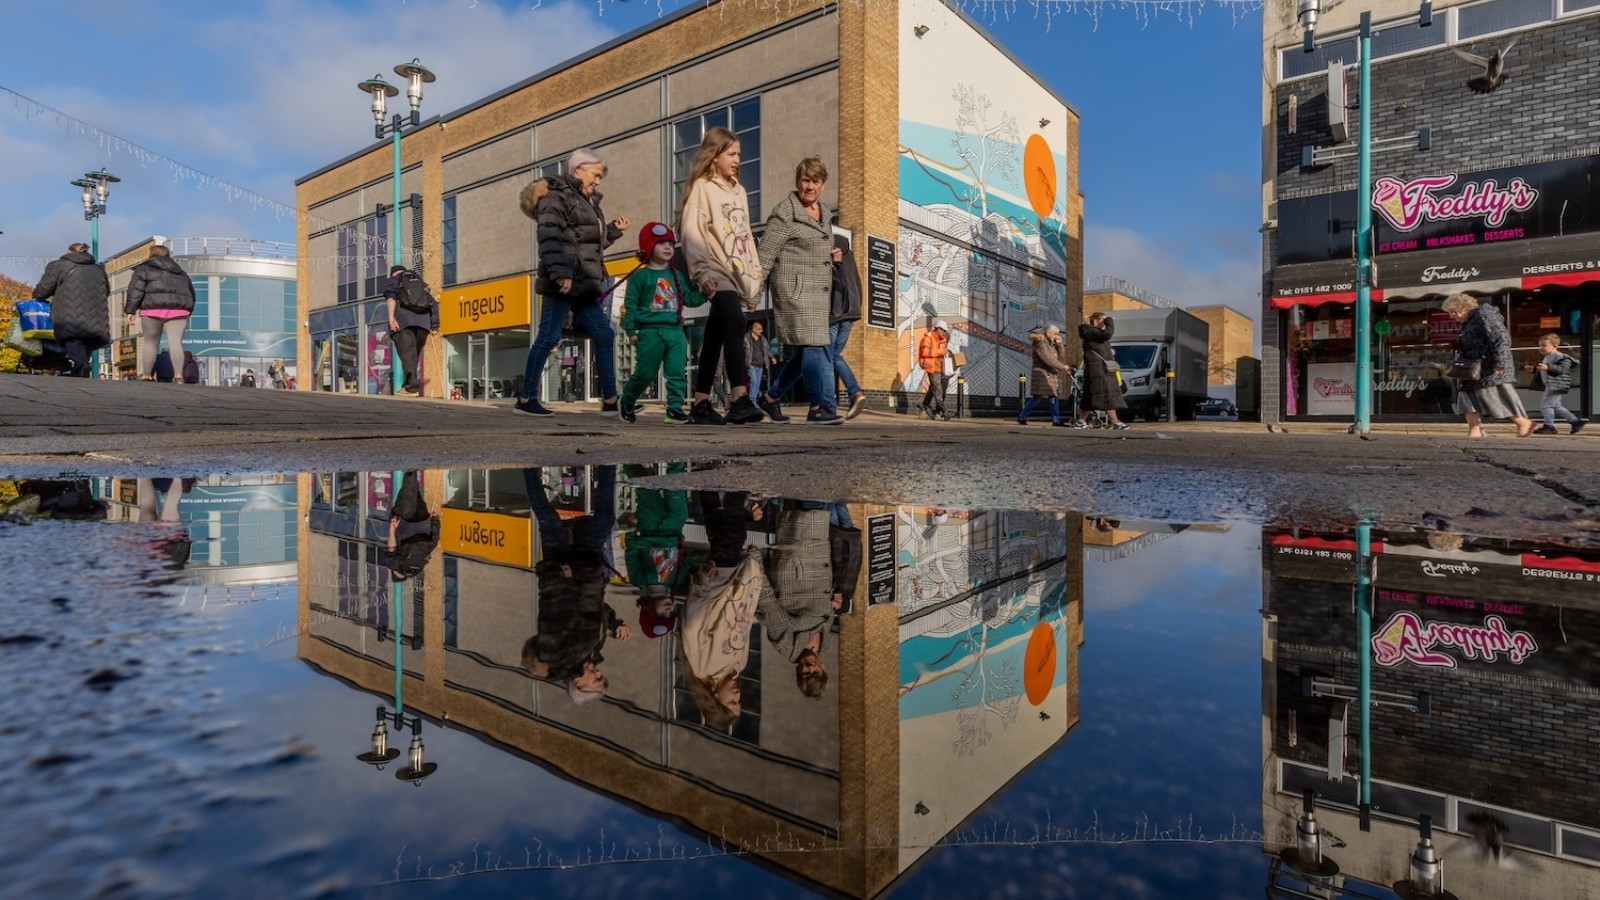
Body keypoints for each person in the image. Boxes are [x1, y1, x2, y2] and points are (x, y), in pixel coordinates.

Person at [514, 148, 630, 417]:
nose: (598, 180)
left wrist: (612, 230)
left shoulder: (588, 202)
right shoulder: (556, 196)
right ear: (578, 169)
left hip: (584, 283)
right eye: (595, 174)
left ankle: (610, 400)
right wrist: (560, 273)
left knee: (603, 335)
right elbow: (550, 236)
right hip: (564, 281)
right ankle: (526, 398)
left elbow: (589, 244)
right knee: (548, 337)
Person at [519, 465, 629, 706]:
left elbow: (553, 616)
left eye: (596, 680)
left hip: (563, 570)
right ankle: (608, 466)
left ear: (578, 684)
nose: (598, 674)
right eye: (601, 677)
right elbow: (595, 608)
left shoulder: (558, 658)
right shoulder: (594, 651)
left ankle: (529, 469)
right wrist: (614, 623)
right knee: (604, 520)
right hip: (588, 569)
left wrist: (563, 580)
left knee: (549, 519)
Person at [679, 127, 766, 426]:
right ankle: (739, 398)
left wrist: (751, 283)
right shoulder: (702, 187)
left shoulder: (739, 191)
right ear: (714, 156)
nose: (737, 159)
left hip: (736, 271)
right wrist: (701, 272)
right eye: (731, 154)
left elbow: (744, 237)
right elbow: (691, 232)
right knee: (736, 322)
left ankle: (701, 403)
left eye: (739, 154)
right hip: (714, 266)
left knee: (716, 333)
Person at [754, 157, 844, 425]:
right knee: (815, 346)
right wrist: (752, 293)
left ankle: (769, 399)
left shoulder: (824, 215)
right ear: (797, 181)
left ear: (823, 185)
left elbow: (813, 246)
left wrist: (833, 255)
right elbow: (765, 256)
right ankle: (817, 407)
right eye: (805, 180)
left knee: (804, 352)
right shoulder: (784, 214)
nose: (810, 186)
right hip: (795, 292)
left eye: (815, 181)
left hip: (818, 293)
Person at [617, 223, 708, 425]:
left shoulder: (676, 275)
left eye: (669, 243)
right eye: (661, 244)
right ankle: (627, 400)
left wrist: (705, 295)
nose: (668, 247)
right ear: (648, 248)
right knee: (645, 373)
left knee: (677, 372)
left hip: (676, 332)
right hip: (650, 333)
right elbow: (630, 305)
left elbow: (689, 300)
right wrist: (631, 331)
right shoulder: (640, 276)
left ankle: (674, 408)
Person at [681, 542, 763, 729]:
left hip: (721, 577)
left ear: (715, 699)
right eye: (739, 701)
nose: (738, 695)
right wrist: (755, 569)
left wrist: (704, 585)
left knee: (728, 527)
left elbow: (692, 625)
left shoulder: (703, 667)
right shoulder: (739, 665)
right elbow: (745, 620)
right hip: (743, 569)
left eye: (732, 702)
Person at [760, 502, 838, 699]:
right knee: (816, 498)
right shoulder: (826, 642)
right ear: (823, 668)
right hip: (819, 555)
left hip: (796, 559)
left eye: (806, 674)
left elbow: (767, 602)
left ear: (798, 671)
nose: (810, 668)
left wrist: (755, 562)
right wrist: (835, 604)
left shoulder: (786, 645)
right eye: (815, 673)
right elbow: (827, 610)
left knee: (805, 498)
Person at [1442, 293, 1534, 438]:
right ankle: (1475, 429)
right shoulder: (1470, 321)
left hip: (1489, 366)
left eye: (1454, 312)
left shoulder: (1484, 315)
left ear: (1465, 308)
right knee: (1466, 396)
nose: (1452, 316)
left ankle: (1524, 423)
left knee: (1493, 396)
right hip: (1472, 368)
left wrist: (1500, 362)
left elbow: (1500, 337)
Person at [31, 243, 109, 378]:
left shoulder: (58, 266)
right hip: (96, 311)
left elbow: (43, 290)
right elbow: (106, 290)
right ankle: (80, 367)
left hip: (68, 309)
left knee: (73, 338)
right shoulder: (99, 269)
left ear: (68, 251)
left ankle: (81, 364)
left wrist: (37, 295)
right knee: (88, 339)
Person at [123, 244, 195, 381]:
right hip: (178, 310)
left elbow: (135, 291)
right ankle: (179, 376)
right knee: (175, 343)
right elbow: (191, 293)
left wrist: (130, 310)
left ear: (151, 255)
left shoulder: (143, 269)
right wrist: (188, 310)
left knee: (150, 343)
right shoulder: (181, 272)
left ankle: (147, 375)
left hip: (151, 309)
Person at [383, 265, 439, 397]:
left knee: (408, 356)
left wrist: (391, 319)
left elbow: (391, 297)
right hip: (423, 324)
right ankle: (408, 385)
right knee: (413, 357)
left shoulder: (395, 280)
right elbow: (433, 303)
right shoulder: (420, 282)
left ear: (393, 273)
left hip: (404, 322)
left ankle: (411, 388)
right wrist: (434, 325)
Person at [829, 232, 868, 419]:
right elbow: (858, 285)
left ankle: (850, 394)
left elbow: (833, 283)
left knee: (828, 357)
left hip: (835, 313)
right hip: (850, 313)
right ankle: (853, 394)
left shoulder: (833, 252)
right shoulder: (849, 255)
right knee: (833, 356)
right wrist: (856, 310)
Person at [1074, 312, 1130, 430]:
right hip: (1099, 371)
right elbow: (1107, 334)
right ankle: (1115, 422)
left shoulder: (1093, 334)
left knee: (1092, 396)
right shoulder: (1092, 333)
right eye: (1103, 320)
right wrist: (1109, 320)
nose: (1105, 323)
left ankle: (1081, 421)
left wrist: (1109, 352)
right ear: (1096, 321)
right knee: (1107, 395)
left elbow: (1100, 345)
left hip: (1099, 370)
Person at [382, 471, 439, 582]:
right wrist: (392, 529)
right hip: (403, 523)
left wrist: (435, 522)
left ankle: (413, 466)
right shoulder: (395, 566)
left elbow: (433, 543)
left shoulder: (418, 565)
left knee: (413, 489)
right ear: (394, 573)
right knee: (409, 488)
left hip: (423, 522)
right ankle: (411, 463)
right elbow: (391, 548)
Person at [1525, 333, 1584, 435]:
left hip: (1556, 385)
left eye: (1544, 345)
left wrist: (1548, 367)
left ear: (1555, 346)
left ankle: (1549, 426)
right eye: (1540, 345)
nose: (1541, 348)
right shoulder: (1548, 356)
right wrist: (1534, 369)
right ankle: (1576, 422)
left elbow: (1562, 369)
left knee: (1546, 406)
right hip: (1551, 384)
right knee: (1556, 407)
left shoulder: (1562, 357)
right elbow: (1545, 369)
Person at [1018, 325, 1073, 426]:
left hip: (1050, 374)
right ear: (1048, 333)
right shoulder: (1040, 344)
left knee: (1053, 396)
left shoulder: (1050, 344)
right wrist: (1063, 367)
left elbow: (1060, 357)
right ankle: (1022, 416)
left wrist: (1059, 344)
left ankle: (1056, 419)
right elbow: (1048, 359)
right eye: (1055, 334)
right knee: (1037, 397)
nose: (1057, 336)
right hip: (1042, 374)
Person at [917, 320, 953, 420]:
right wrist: (941, 352)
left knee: (934, 390)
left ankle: (924, 407)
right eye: (943, 330)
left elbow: (943, 352)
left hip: (942, 367)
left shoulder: (943, 339)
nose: (944, 333)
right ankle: (943, 411)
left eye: (945, 331)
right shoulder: (927, 338)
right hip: (932, 367)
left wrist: (946, 353)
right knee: (937, 390)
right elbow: (925, 352)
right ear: (938, 329)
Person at [744, 320, 772, 400]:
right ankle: (752, 401)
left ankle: (754, 401)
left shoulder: (763, 339)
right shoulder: (746, 338)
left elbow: (767, 350)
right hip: (751, 364)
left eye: (762, 329)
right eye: (759, 329)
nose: (761, 331)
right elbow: (741, 350)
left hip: (760, 365)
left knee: (757, 384)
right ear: (754, 329)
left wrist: (772, 357)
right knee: (754, 381)